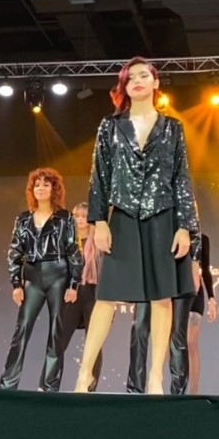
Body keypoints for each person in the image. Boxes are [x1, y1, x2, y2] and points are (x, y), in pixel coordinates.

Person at [75, 57, 199, 394]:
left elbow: (181, 178)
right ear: (125, 87)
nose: (138, 81)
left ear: (156, 83)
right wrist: (99, 221)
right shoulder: (110, 126)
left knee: (161, 299)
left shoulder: (173, 128)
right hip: (124, 217)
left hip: (163, 217)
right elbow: (99, 176)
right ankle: (84, 374)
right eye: (131, 78)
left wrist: (185, 227)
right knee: (106, 297)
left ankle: (155, 378)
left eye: (145, 75)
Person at [0, 168, 82, 392]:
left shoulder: (65, 218)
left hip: (59, 274)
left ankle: (49, 386)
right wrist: (16, 284)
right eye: (37, 185)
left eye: (46, 184)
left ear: (54, 189)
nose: (41, 188)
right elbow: (15, 252)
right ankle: (8, 384)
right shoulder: (23, 219)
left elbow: (74, 251)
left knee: (56, 331)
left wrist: (73, 284)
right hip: (33, 276)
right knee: (22, 329)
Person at [59, 202, 103, 391]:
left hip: (94, 293)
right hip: (72, 293)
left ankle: (90, 387)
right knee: (59, 340)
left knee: (94, 342)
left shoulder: (99, 241)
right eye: (77, 216)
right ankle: (50, 383)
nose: (80, 220)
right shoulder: (66, 240)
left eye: (84, 216)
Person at [187, 232, 217, 394]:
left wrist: (211, 298)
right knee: (177, 343)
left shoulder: (203, 239)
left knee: (191, 343)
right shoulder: (172, 232)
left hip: (195, 294)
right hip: (176, 293)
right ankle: (177, 388)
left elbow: (205, 269)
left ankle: (193, 393)